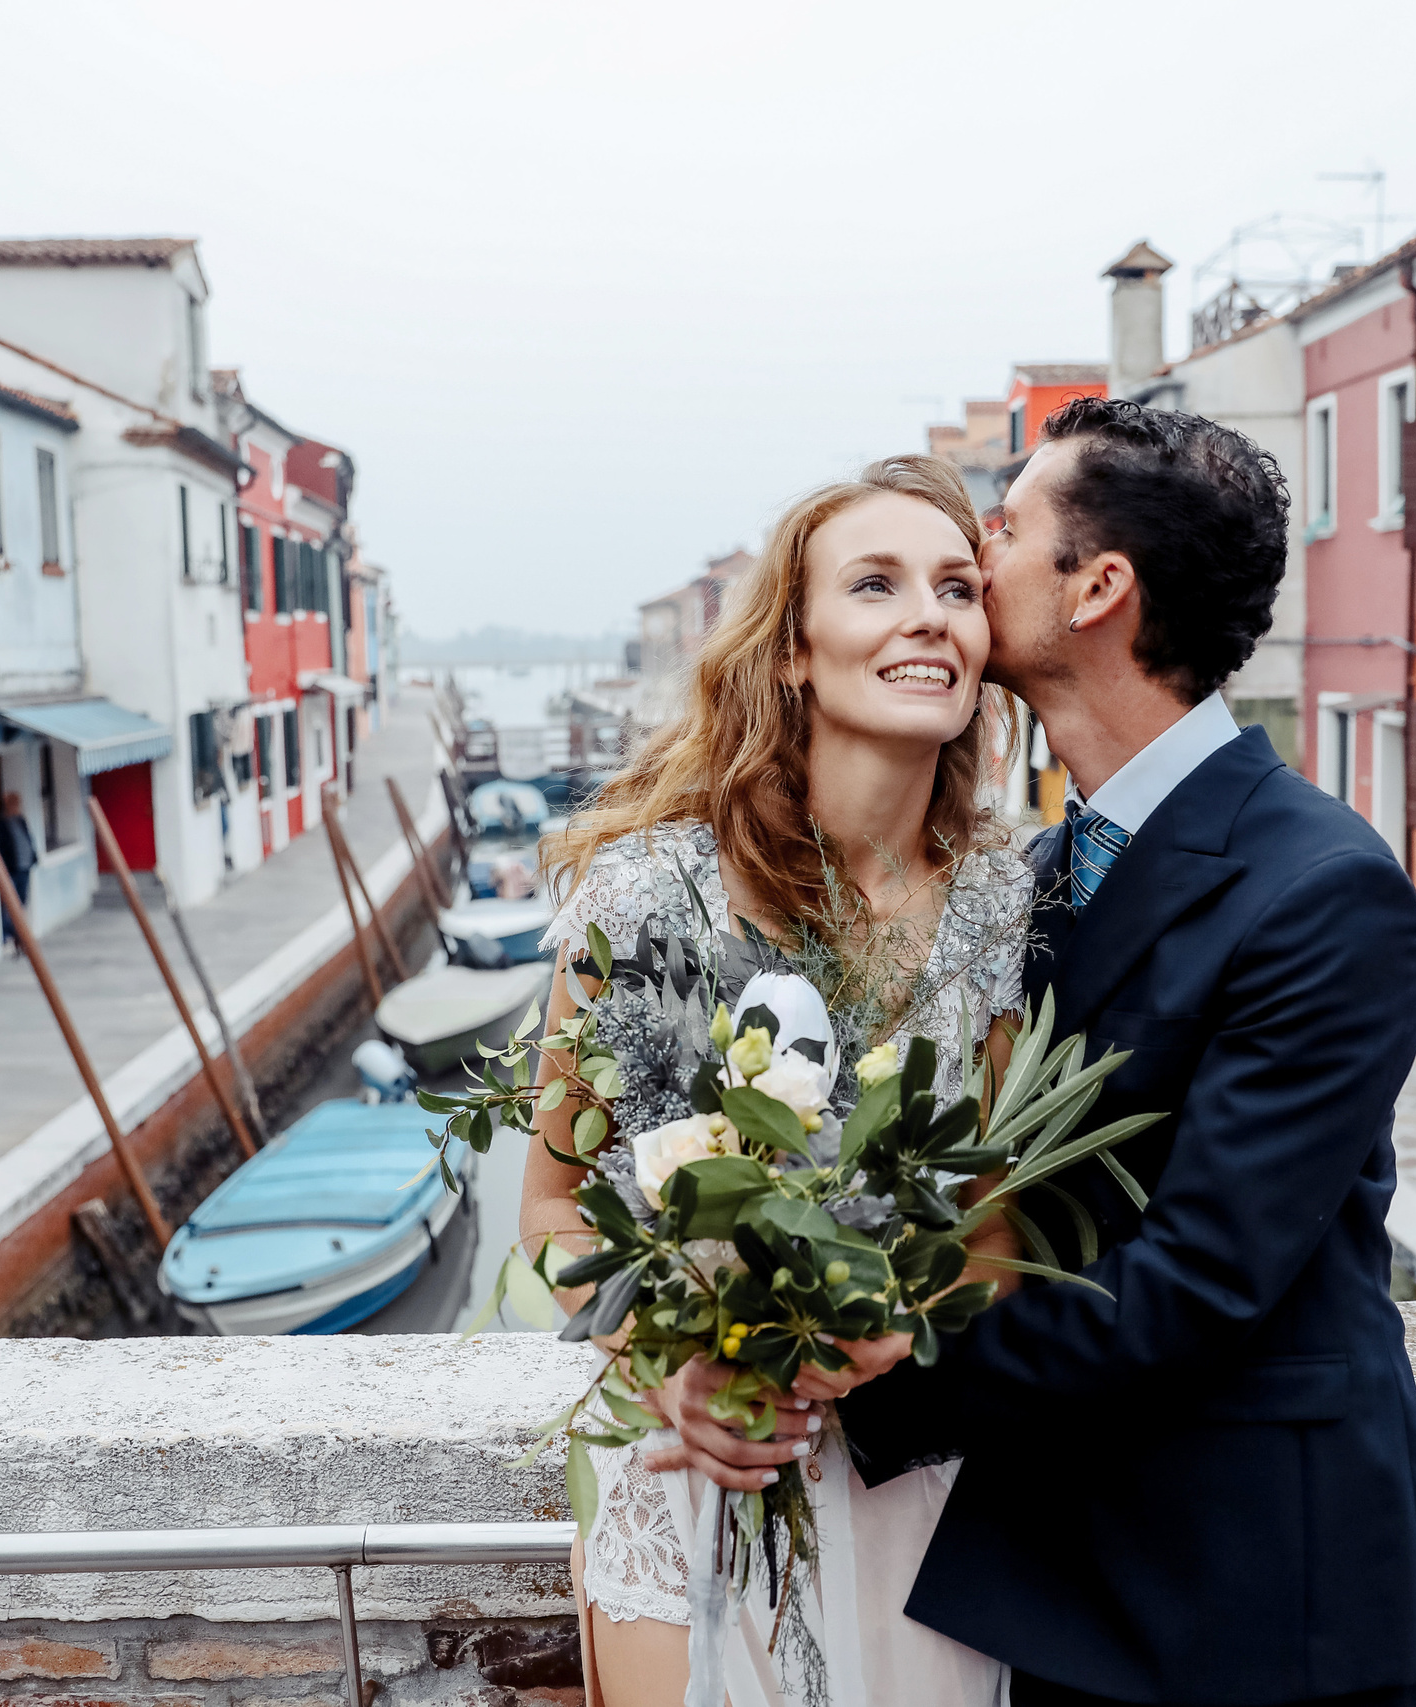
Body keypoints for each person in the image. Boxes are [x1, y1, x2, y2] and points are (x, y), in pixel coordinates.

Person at [655, 397, 1416, 1706]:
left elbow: (1198, 1282)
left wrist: (863, 1370)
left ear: (1098, 589)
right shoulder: (1024, 879)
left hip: (1259, 1607)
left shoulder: (1320, 886)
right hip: (1054, 1588)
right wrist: (740, 1327)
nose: (975, 555)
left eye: (1005, 529)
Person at [519, 455, 1034, 1707]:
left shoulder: (1003, 906)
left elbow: (995, 1239)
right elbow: (550, 1209)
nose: (930, 616)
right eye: (876, 584)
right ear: (793, 651)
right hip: (689, 1471)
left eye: (957, 589)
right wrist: (669, 1358)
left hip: (910, 1492)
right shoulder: (647, 892)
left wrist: (895, 1323)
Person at [0, 791, 38, 943]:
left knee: (22, 900)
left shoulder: (20, 820)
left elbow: (28, 839)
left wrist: (33, 857)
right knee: (10, 902)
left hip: (24, 866)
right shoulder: (1, 823)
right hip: (12, 868)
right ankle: (8, 932)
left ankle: (19, 932)